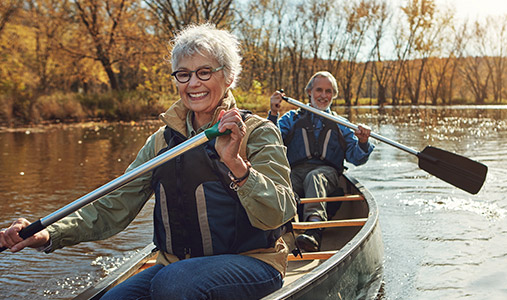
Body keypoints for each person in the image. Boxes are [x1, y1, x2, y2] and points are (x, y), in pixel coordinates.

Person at [0, 23, 297, 300]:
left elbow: (279, 213)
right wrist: (49, 233)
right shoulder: (160, 142)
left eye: (205, 72)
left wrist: (235, 164)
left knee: (174, 283)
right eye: (184, 74)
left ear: (229, 76)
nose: (193, 83)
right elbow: (114, 205)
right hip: (175, 266)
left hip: (253, 262)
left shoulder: (258, 132)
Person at [268, 71, 374, 252]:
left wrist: (363, 142)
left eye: (329, 91)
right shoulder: (291, 119)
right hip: (296, 172)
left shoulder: (341, 124)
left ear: (334, 95)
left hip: (328, 175)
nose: (323, 96)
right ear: (309, 92)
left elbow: (357, 158)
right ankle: (278, 229)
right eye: (319, 90)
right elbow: (270, 142)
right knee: (284, 181)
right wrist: (273, 113)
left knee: (314, 177)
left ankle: (313, 229)